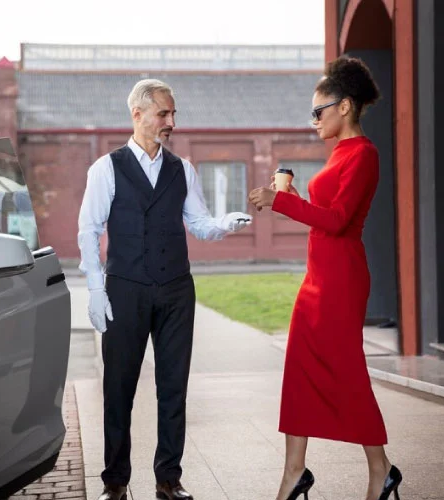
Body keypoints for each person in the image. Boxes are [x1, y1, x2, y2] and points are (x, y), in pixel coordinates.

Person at [78, 78, 252, 500]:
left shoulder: (182, 169)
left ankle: (168, 479)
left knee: (173, 387)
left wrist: (224, 224)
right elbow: (89, 229)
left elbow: (198, 223)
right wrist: (96, 288)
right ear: (137, 115)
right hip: (125, 289)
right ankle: (115, 482)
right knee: (118, 389)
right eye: (164, 114)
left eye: (173, 114)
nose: (171, 121)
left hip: (176, 291)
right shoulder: (106, 168)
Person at [248, 56, 403, 500]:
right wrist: (289, 195)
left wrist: (279, 203)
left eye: (319, 111)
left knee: (347, 372)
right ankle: (294, 472)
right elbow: (322, 216)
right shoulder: (340, 153)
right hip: (318, 277)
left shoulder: (365, 154)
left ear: (346, 107)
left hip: (341, 280)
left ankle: (381, 470)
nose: (313, 119)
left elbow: (336, 221)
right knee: (298, 370)